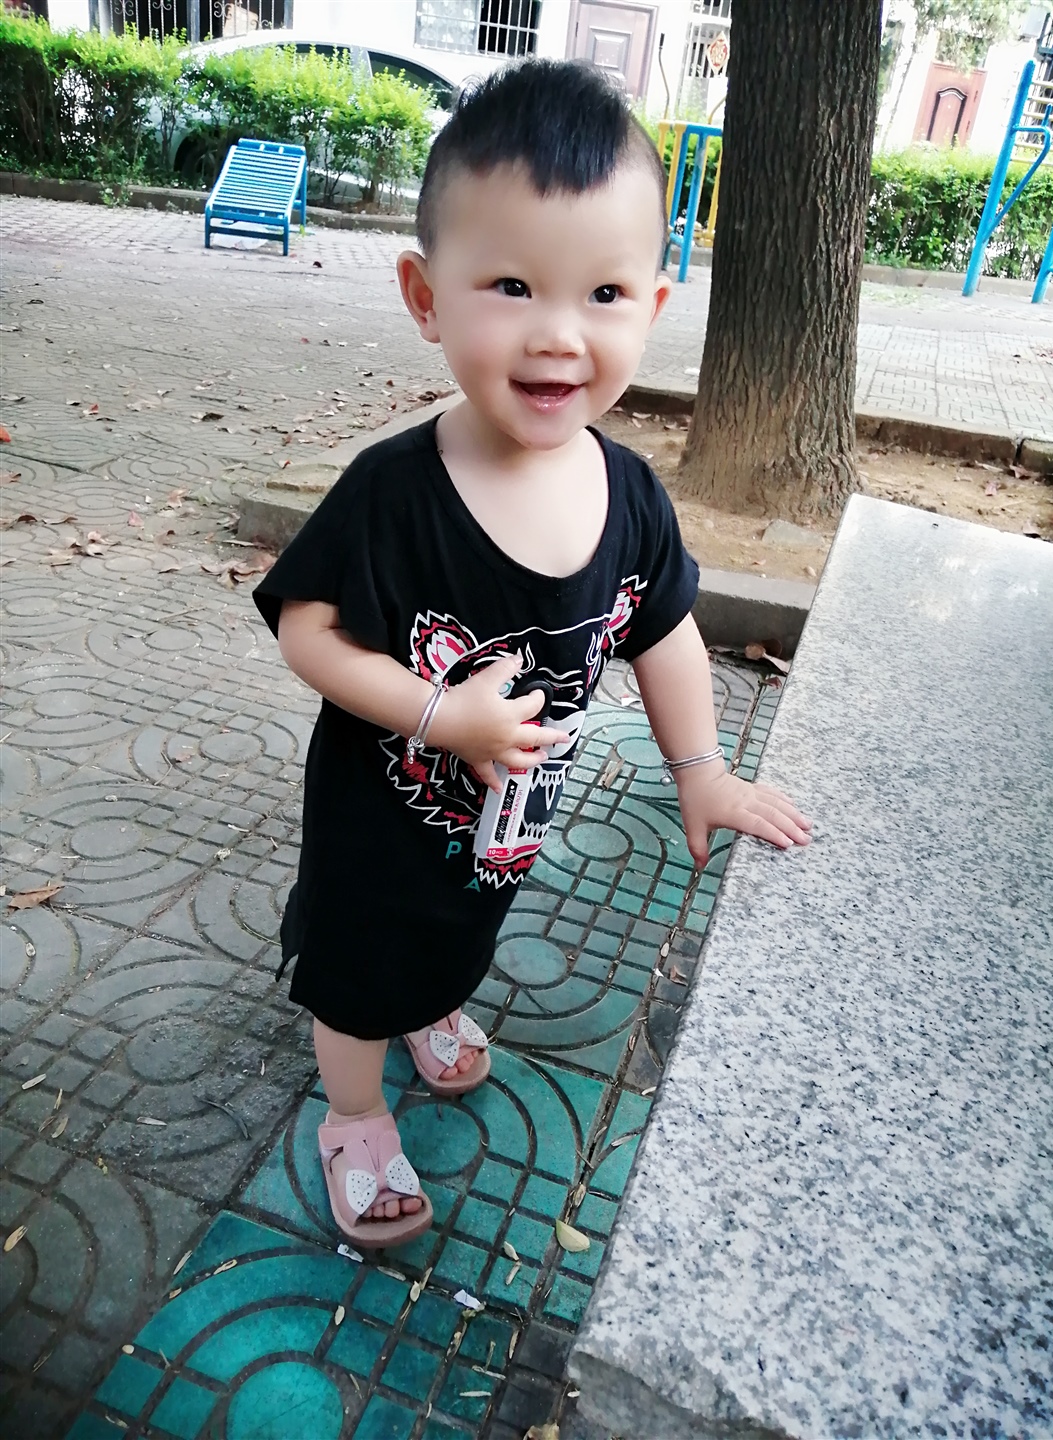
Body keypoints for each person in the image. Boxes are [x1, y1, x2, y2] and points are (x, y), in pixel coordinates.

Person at [253, 59, 811, 1248]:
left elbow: (663, 633)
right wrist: (438, 716)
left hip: (502, 823)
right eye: (511, 285)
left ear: (653, 305)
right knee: (357, 972)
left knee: (462, 932)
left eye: (604, 292)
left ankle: (431, 1008)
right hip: (379, 821)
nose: (560, 334)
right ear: (426, 296)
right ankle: (354, 1115)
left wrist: (701, 770)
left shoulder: (630, 495)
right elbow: (308, 627)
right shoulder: (393, 492)